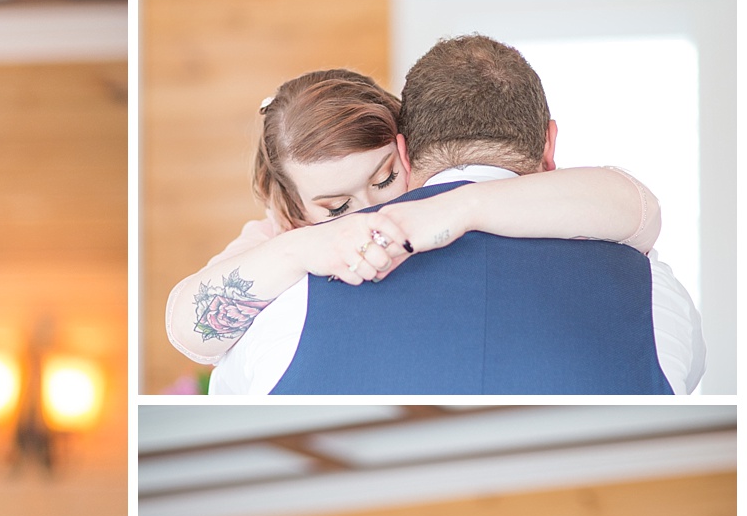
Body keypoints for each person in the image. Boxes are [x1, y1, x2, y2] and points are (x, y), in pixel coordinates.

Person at [191, 39, 703, 394]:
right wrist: (296, 249)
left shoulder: (281, 314)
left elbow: (636, 204)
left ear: (403, 151)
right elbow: (190, 326)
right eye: (336, 207)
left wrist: (458, 209)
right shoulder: (654, 290)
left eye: (383, 179)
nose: (373, 214)